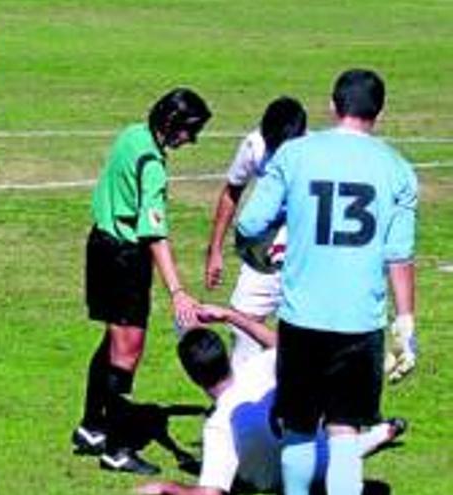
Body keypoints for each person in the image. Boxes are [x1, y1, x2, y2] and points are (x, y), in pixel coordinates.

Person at [236, 69, 418, 495]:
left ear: (332, 105)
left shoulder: (295, 155)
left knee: (299, 429)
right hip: (360, 322)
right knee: (344, 434)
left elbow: (250, 222)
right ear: (380, 112)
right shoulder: (398, 169)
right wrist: (405, 322)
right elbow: (399, 255)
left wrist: (274, 236)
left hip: (303, 319)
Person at [70, 88, 212, 475]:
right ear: (171, 124)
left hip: (99, 244)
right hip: (124, 258)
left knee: (112, 340)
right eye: (189, 130)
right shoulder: (152, 163)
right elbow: (154, 235)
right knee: (128, 348)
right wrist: (177, 291)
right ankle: (116, 450)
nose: (191, 139)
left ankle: (90, 426)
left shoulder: (132, 134)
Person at [136, 306, 407, 495]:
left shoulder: (218, 427)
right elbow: (281, 345)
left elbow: (209, 493)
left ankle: (380, 434)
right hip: (321, 456)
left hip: (284, 478)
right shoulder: (259, 368)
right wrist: (230, 316)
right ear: (225, 356)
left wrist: (167, 488)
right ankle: (382, 432)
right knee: (336, 442)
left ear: (193, 377)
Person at [203, 96, 307, 372]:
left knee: (307, 333)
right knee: (242, 326)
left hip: (304, 256)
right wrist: (215, 251)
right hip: (261, 255)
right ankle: (241, 401)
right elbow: (231, 192)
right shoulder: (254, 145)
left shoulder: (314, 154)